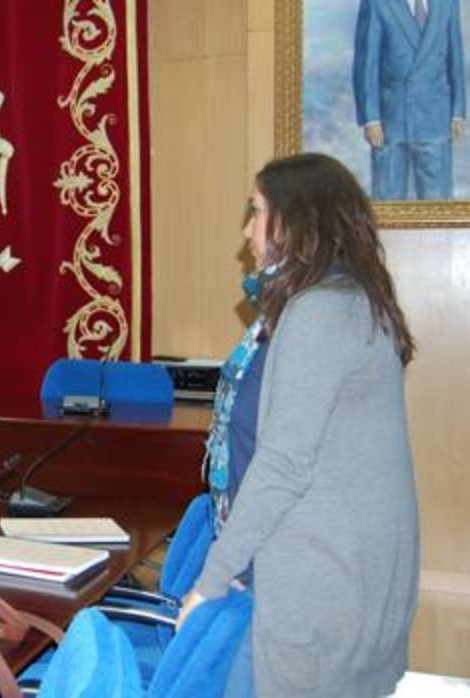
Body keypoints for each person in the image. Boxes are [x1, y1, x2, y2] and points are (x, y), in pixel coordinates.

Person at [179, 153, 419, 697]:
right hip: (315, 568)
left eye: (256, 211)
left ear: (294, 220)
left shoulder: (321, 311)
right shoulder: (334, 301)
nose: (246, 232)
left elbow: (283, 463)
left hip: (319, 584)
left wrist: (210, 582)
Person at [353, 0, 466, 200]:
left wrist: (458, 111)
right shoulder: (377, 3)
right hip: (390, 121)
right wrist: (371, 118)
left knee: (437, 204)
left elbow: (455, 59)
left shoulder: (448, 3)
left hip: (435, 119)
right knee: (388, 202)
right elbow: (367, 63)